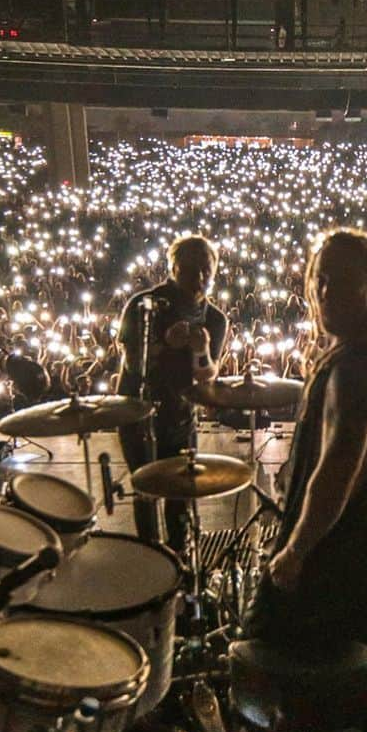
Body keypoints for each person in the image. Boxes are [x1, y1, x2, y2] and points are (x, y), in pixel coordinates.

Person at [246, 228, 367, 651]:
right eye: (320, 278)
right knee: (347, 659)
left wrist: (297, 549)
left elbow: (338, 468)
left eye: (340, 280)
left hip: (330, 549)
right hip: (351, 538)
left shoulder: (355, 369)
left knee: (286, 657)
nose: (324, 291)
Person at [116, 234, 227, 550]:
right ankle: (149, 559)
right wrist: (164, 344)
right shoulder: (143, 306)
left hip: (180, 418)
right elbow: (134, 364)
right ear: (174, 268)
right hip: (138, 417)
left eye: (206, 270)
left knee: (181, 498)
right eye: (192, 270)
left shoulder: (214, 319)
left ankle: (180, 558)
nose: (200, 278)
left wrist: (201, 352)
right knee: (146, 494)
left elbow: (206, 376)